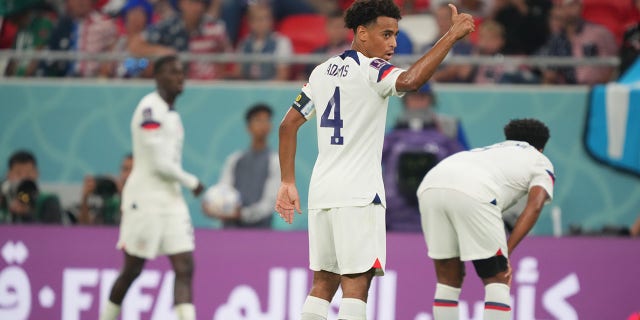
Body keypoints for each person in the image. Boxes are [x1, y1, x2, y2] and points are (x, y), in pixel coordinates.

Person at [275, 0, 475, 319]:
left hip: (322, 193)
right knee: (357, 284)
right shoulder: (372, 70)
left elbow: (288, 125)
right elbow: (410, 81)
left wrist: (287, 181)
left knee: (323, 282)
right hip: (358, 196)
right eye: (386, 34)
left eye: (395, 35)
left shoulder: (321, 72)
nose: (393, 43)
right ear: (362, 33)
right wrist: (450, 37)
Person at [99, 55, 205, 320]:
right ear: (157, 77)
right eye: (172, 72)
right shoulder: (149, 108)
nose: (179, 77)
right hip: (144, 200)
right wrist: (192, 182)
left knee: (185, 267)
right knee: (133, 269)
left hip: (171, 201)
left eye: (182, 72)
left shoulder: (172, 113)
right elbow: (157, 161)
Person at [417, 118, 555, 320]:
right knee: (498, 278)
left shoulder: (487, 151)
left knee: (448, 277)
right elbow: (534, 206)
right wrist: (507, 251)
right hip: (475, 190)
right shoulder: (540, 160)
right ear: (541, 148)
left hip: (430, 184)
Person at [382, 83, 467, 232]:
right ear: (405, 101)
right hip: (398, 211)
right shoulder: (394, 131)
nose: (418, 102)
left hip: (436, 206)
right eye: (413, 97)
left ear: (431, 100)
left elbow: (466, 160)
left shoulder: (450, 126)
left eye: (422, 97)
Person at [204, 103, 280, 228]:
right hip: (231, 229)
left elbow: (270, 201)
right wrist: (212, 205)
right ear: (248, 127)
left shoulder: (275, 161)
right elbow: (223, 189)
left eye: (266, 120)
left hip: (261, 231)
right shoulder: (234, 159)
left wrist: (242, 214)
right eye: (258, 120)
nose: (263, 125)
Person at [128, 0, 233, 80]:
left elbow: (230, 61)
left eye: (201, 2)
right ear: (182, 3)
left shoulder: (215, 28)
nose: (198, 8)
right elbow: (134, 45)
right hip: (179, 85)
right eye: (193, 2)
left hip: (211, 88)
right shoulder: (169, 26)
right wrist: (163, 51)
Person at [41, 0, 118, 77]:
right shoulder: (61, 25)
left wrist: (105, 68)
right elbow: (51, 56)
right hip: (65, 80)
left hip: (94, 81)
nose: (80, 2)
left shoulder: (105, 24)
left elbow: (112, 52)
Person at [232, 1, 293, 80]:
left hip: (271, 90)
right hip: (247, 90)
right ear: (250, 22)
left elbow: (282, 77)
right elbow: (238, 74)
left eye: (265, 18)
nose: (261, 23)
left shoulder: (281, 42)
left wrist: (263, 91)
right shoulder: (243, 43)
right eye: (257, 19)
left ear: (271, 21)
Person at [0, 150, 63, 224]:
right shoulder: (4, 198)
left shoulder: (48, 201)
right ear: (9, 175)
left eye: (28, 173)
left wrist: (26, 214)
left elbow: (53, 232)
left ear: (36, 173)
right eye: (18, 173)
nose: (23, 178)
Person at [77, 154, 133, 225]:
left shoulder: (144, 200)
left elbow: (128, 225)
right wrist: (85, 198)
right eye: (125, 169)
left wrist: (123, 196)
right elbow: (84, 228)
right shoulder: (110, 200)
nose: (127, 175)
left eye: (131, 170)